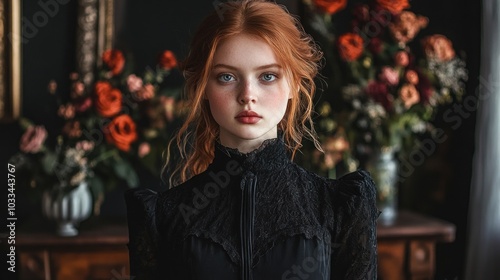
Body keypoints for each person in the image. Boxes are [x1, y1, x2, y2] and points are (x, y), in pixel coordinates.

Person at [125, 1, 379, 279]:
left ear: (294, 83)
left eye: (267, 76)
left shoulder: (338, 206)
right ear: (203, 87)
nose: (248, 95)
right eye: (227, 77)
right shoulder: (164, 215)